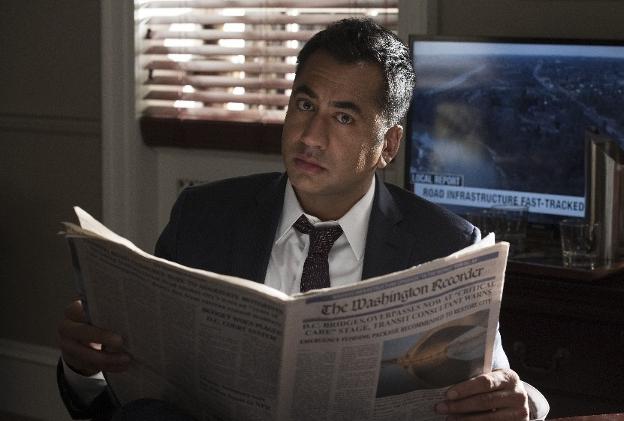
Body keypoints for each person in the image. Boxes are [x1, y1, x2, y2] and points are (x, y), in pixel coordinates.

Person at [57, 18, 548, 421]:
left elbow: (498, 385)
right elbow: (130, 390)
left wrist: (522, 402)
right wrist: (85, 369)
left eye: (343, 117)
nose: (310, 136)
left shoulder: (446, 244)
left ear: (388, 145)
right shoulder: (202, 217)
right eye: (305, 105)